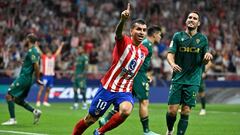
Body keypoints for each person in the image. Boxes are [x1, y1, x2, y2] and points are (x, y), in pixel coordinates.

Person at [72, 3, 149, 135]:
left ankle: (100, 132)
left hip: (124, 91)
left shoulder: (144, 51)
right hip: (108, 88)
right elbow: (118, 33)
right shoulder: (124, 42)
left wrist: (145, 75)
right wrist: (123, 20)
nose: (141, 32)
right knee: (90, 119)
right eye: (138, 29)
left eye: (144, 30)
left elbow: (134, 68)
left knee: (126, 110)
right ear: (131, 31)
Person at [98, 25, 162, 135]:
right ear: (155, 34)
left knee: (125, 101)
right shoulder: (146, 44)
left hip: (138, 74)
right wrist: (141, 74)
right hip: (137, 75)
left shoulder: (148, 45)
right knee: (144, 101)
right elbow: (134, 59)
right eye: (160, 35)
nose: (161, 37)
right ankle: (146, 131)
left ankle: (105, 119)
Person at [165, 11, 213, 135]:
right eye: (189, 17)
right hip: (178, 78)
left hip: (193, 80)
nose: (191, 19)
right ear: (186, 21)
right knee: (172, 111)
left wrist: (206, 58)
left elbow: (205, 59)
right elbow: (170, 54)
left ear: (199, 23)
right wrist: (172, 64)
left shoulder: (203, 39)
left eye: (194, 18)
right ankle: (170, 130)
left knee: (186, 111)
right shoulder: (177, 36)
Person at [1, 33, 43, 125]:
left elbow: (36, 65)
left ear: (28, 40)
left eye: (26, 39)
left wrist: (38, 78)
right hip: (27, 79)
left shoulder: (32, 51)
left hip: (24, 78)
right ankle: (35, 111)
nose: (25, 40)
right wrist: (25, 62)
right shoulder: (33, 51)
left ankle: (13, 119)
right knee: (18, 100)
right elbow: (32, 63)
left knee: (9, 95)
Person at [36, 41, 64, 107]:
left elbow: (58, 52)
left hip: (51, 76)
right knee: (41, 88)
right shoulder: (44, 57)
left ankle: (45, 101)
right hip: (45, 76)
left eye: (50, 54)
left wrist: (61, 46)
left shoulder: (53, 57)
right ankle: (38, 101)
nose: (50, 55)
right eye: (48, 54)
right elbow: (39, 52)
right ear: (47, 54)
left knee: (48, 89)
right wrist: (36, 45)